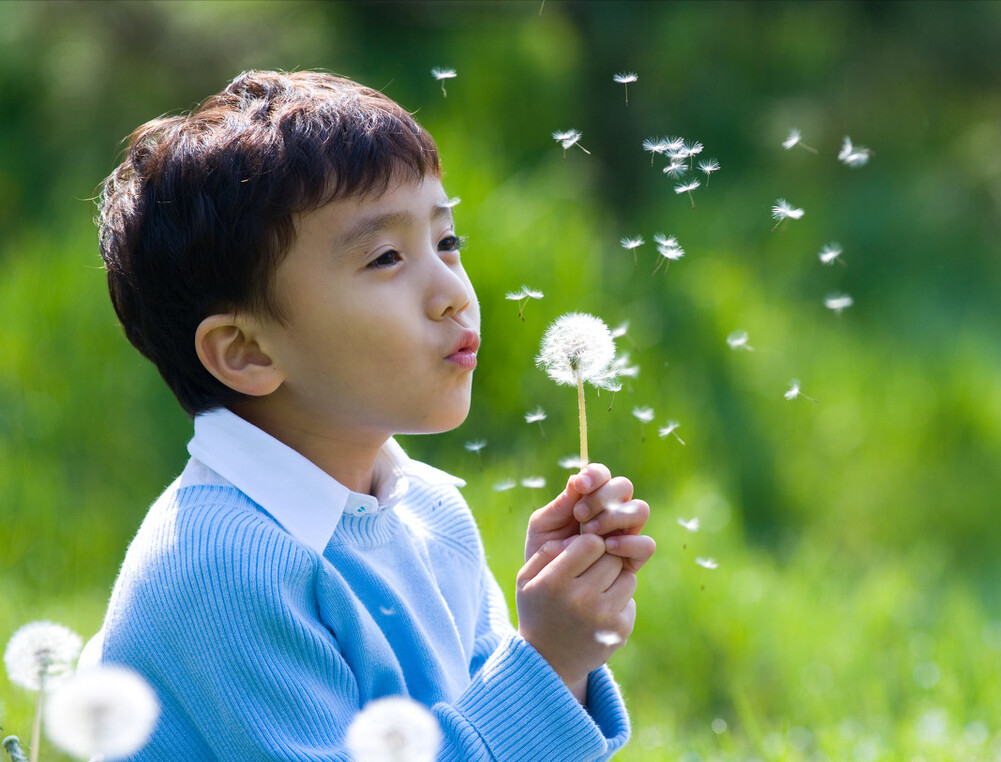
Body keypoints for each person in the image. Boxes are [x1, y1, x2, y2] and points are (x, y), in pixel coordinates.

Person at [85, 69, 655, 760]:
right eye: (386, 257)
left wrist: (559, 636)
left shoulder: (432, 513)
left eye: (447, 243)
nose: (451, 292)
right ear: (245, 350)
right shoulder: (219, 566)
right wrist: (545, 661)